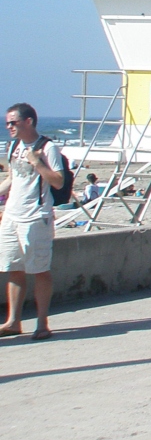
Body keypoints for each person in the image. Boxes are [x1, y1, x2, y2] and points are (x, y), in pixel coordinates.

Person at [0, 103, 64, 340]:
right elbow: (12, 178)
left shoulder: (47, 147)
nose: (9, 127)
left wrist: (37, 163)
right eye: (7, 123)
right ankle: (13, 321)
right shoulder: (13, 146)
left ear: (28, 121)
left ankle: (42, 323)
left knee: (39, 270)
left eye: (13, 122)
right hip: (12, 215)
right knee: (13, 268)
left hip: (36, 217)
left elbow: (58, 181)